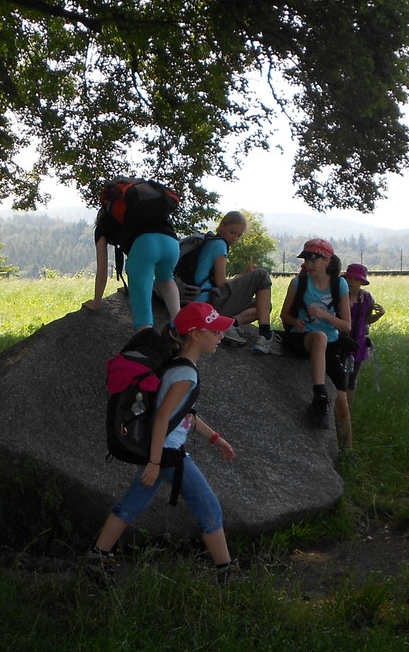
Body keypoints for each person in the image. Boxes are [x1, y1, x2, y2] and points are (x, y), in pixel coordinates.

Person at [86, 302, 241, 586]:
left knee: (131, 505)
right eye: (215, 331)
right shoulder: (186, 374)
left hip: (160, 451)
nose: (221, 336)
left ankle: (97, 559)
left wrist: (215, 438)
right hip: (168, 454)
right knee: (209, 508)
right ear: (195, 334)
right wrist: (155, 462)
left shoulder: (177, 366)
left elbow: (184, 414)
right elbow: (162, 417)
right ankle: (226, 573)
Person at [278, 237, 354, 439]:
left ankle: (346, 448)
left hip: (331, 344)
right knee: (319, 337)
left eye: (313, 260)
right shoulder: (299, 282)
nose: (308, 265)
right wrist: (295, 322)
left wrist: (324, 315)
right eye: (306, 260)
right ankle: (320, 395)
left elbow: (346, 326)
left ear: (327, 261)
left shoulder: (339, 285)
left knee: (342, 400)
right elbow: (284, 315)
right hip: (303, 339)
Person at [83, 183, 180, 330]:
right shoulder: (147, 211)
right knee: (166, 279)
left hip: (144, 247)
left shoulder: (103, 225)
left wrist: (96, 302)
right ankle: (181, 325)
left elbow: (102, 272)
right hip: (171, 243)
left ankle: (145, 337)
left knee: (142, 312)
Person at [181, 211, 275, 351]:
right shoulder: (220, 244)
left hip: (196, 299)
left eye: (239, 235)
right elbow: (221, 283)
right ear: (222, 226)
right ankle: (265, 334)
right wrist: (244, 278)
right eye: (232, 232)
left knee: (264, 306)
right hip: (206, 302)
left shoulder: (210, 241)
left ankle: (230, 324)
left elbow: (217, 281)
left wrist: (242, 275)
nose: (234, 238)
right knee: (261, 275)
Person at [342, 262, 386, 446]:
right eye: (350, 278)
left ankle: (347, 413)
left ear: (362, 282)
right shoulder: (340, 294)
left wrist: (380, 315)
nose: (352, 282)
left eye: (356, 279)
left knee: (352, 381)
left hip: (359, 345)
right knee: (340, 380)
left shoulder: (367, 298)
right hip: (341, 343)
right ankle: (339, 413)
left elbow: (367, 320)